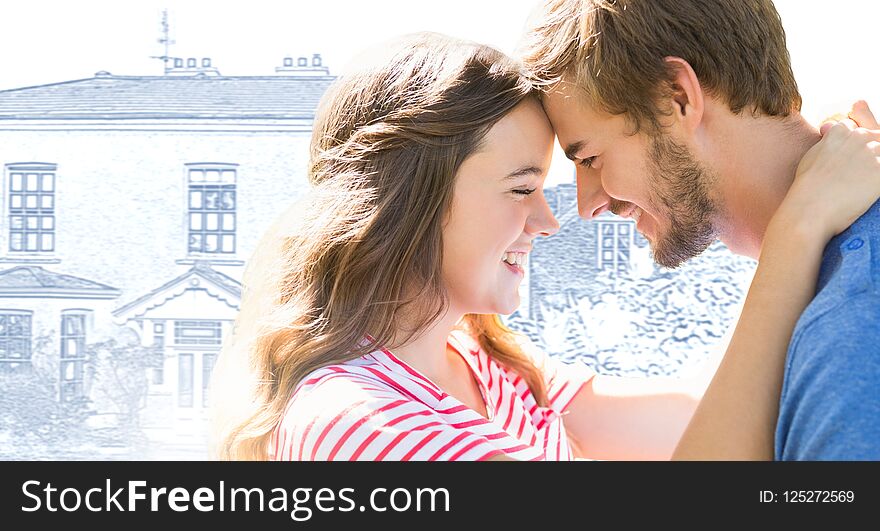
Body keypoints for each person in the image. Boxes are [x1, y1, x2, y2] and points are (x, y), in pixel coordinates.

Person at [209, 32, 880, 461]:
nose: (551, 219)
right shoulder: (353, 425)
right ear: (410, 201)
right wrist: (796, 230)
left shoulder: (490, 373)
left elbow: (715, 424)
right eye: (521, 187)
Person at [518, 0, 880, 459]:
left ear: (677, 97)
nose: (587, 206)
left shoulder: (853, 328)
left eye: (590, 158)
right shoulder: (823, 282)